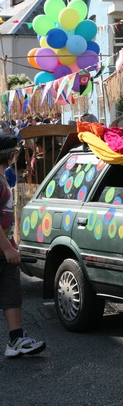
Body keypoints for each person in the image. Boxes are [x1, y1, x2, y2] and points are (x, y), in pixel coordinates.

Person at [0, 134, 46, 358]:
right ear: (10, 155)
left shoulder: (3, 180)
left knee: (12, 294)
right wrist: (7, 248)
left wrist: (10, 246)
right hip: (3, 250)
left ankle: (16, 340)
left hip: (5, 250)